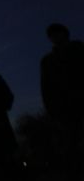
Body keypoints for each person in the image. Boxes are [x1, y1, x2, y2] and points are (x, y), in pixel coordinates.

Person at [40, 24, 84, 179]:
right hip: (63, 112)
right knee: (71, 152)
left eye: (58, 33)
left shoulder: (80, 50)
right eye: (52, 35)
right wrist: (52, 111)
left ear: (66, 34)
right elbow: (46, 88)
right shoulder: (47, 61)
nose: (55, 37)